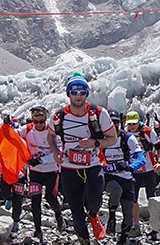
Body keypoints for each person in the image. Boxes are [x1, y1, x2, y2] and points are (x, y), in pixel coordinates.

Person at [47, 72, 117, 245]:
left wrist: (95, 143)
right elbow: (50, 136)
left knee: (95, 200)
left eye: (82, 92)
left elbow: (112, 138)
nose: (78, 96)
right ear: (68, 93)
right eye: (74, 92)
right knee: (75, 209)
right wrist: (55, 151)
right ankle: (84, 240)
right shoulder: (59, 116)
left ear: (87, 93)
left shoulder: (99, 113)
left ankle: (93, 215)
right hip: (69, 167)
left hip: (93, 164)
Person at [17, 106, 64, 243]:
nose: (38, 124)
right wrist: (6, 125)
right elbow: (11, 135)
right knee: (35, 201)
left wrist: (40, 159)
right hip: (35, 172)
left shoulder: (53, 130)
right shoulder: (27, 129)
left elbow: (59, 152)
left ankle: (58, 214)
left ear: (46, 119)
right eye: (35, 121)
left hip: (51, 170)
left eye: (41, 121)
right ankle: (38, 230)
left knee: (50, 197)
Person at [103, 110, 145, 245]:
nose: (113, 125)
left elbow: (141, 159)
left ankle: (122, 238)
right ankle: (112, 217)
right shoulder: (101, 138)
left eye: (115, 122)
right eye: (110, 122)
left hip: (126, 177)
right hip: (108, 176)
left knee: (128, 215)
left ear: (120, 123)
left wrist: (130, 167)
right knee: (116, 191)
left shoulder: (128, 138)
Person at [124, 111, 160, 239]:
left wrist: (159, 162)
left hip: (149, 170)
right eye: (129, 124)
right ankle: (136, 226)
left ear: (138, 121)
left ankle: (154, 226)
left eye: (134, 123)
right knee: (133, 199)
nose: (132, 126)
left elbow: (159, 147)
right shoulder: (125, 133)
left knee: (151, 197)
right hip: (133, 170)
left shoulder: (147, 131)